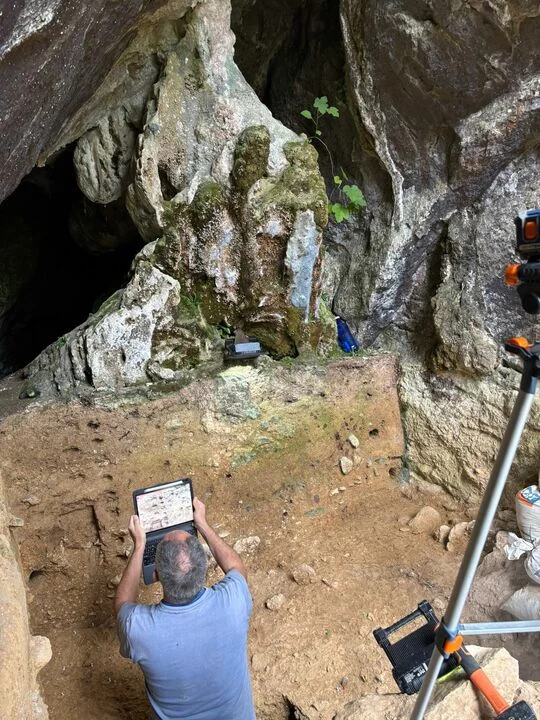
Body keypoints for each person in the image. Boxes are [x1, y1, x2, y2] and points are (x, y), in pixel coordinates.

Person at [115, 496, 256, 720]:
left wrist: (139, 546)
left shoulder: (138, 630)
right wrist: (203, 525)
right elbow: (236, 566)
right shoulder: (234, 602)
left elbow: (123, 604)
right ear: (205, 569)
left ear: (156, 575)